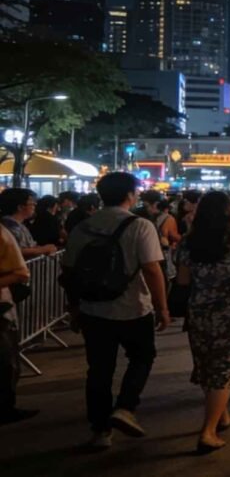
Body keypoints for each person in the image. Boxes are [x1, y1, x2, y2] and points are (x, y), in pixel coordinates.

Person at [63, 172, 168, 449]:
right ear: (130, 195)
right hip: (134, 308)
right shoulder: (140, 226)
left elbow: (69, 271)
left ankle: (100, 431)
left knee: (98, 370)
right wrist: (162, 307)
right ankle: (125, 407)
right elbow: (152, 269)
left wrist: (74, 308)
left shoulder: (82, 227)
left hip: (93, 310)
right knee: (142, 357)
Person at [174, 191, 230, 453]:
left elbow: (182, 281)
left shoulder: (188, 243)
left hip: (199, 312)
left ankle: (222, 415)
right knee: (223, 373)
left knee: (207, 366)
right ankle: (208, 431)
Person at [0, 224, 35, 425]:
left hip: (1, 309)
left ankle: (5, 408)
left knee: (5, 363)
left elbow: (21, 273)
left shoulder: (2, 234)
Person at [0, 189, 58, 261]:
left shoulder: (18, 224)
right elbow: (15, 250)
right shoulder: (9, 226)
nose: (35, 206)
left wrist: (41, 248)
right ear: (20, 207)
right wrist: (43, 249)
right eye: (32, 203)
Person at [140, 191, 181, 283]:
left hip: (151, 259)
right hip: (161, 259)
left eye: (146, 206)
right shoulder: (168, 218)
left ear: (156, 204)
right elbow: (176, 237)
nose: (145, 209)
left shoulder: (147, 219)